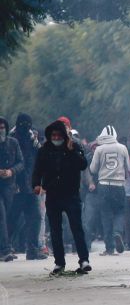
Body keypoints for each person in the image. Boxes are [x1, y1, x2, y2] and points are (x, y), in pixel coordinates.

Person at [32, 120, 91, 275]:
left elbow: (83, 165)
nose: (56, 138)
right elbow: (37, 169)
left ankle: (84, 261)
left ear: (64, 136)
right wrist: (36, 184)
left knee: (77, 229)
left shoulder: (74, 147)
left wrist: (73, 151)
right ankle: (59, 263)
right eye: (54, 135)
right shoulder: (44, 150)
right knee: (56, 231)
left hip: (71, 195)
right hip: (52, 195)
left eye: (59, 135)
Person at [9, 113, 46, 260]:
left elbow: (39, 158)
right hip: (16, 186)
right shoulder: (11, 139)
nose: (26, 127)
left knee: (35, 218)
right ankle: (4, 248)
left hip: (31, 186)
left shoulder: (32, 140)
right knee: (12, 219)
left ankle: (32, 250)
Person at [89, 125, 130, 256]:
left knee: (106, 215)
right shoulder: (123, 148)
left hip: (104, 185)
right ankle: (118, 232)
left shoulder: (99, 149)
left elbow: (93, 169)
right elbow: (127, 167)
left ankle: (109, 248)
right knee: (120, 211)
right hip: (119, 185)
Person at [0, 117, 23, 262]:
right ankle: (5, 250)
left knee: (6, 217)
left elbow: (21, 162)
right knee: (1, 215)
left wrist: (11, 171)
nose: (1, 130)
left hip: (9, 186)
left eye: (2, 127)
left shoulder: (13, 143)